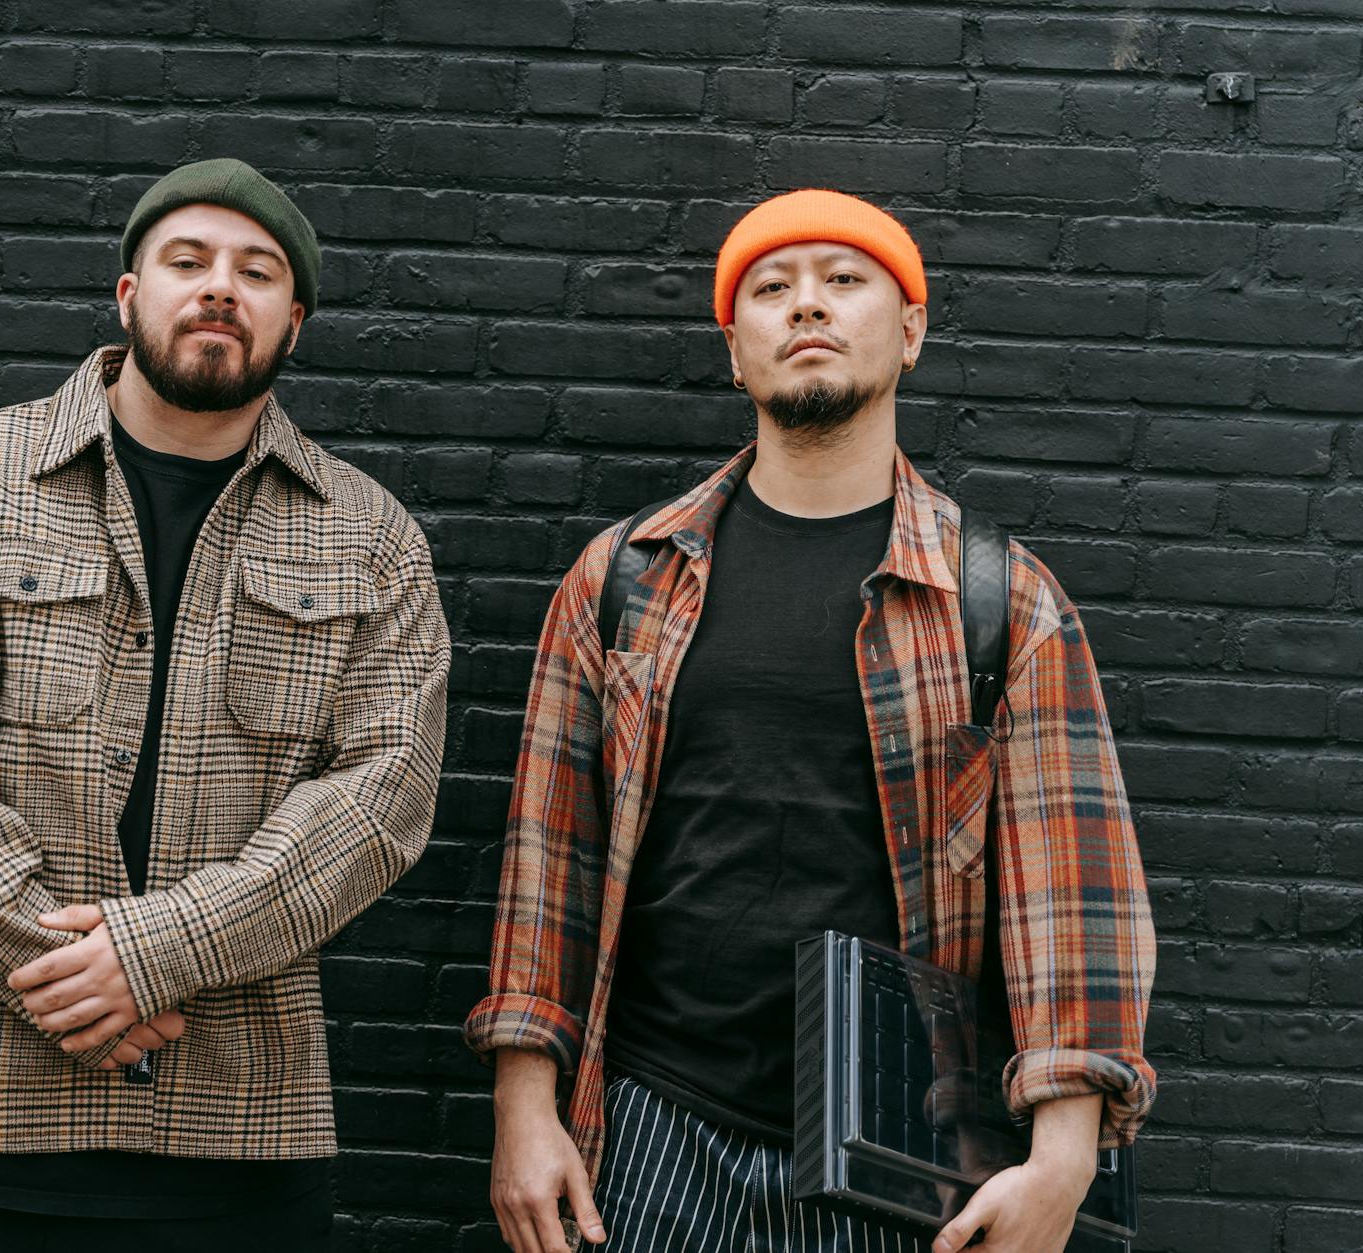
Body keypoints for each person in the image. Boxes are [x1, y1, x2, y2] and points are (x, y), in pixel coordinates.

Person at [465, 189, 1155, 1253]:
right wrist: (524, 1104)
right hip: (649, 1128)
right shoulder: (624, 581)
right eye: (770, 288)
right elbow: (548, 862)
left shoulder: (999, 601)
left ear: (910, 330)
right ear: (734, 352)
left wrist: (1063, 1156)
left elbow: (1073, 887)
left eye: (843, 280)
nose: (806, 305)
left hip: (899, 1145)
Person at [0, 158, 450, 1252]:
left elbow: (382, 797)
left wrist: (158, 950)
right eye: (188, 261)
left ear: (294, 322)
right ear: (130, 293)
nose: (220, 287)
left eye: (257, 272)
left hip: (226, 1141)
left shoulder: (370, 537)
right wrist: (63, 969)